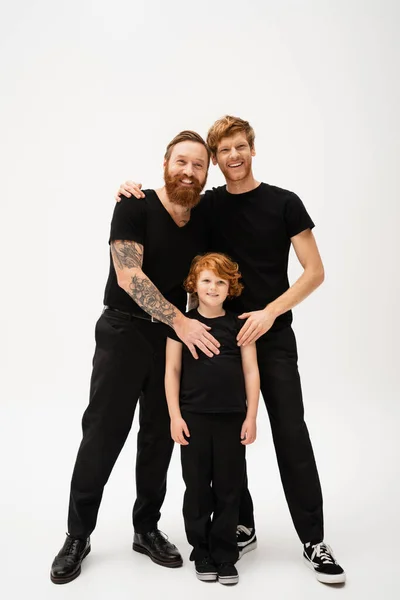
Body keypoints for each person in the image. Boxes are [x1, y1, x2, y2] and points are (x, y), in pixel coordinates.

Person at [116, 115, 346, 584]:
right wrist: (129, 189)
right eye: (223, 151)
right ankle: (240, 524)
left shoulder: (285, 203)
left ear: (252, 149)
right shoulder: (208, 205)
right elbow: (172, 199)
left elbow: (314, 271)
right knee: (219, 434)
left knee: (290, 432)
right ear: (216, 160)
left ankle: (314, 540)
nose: (233, 156)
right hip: (216, 340)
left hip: (270, 336)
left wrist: (268, 314)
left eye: (240, 147)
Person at [50, 131, 222, 585]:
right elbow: (129, 277)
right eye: (181, 161)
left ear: (208, 173)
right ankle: (77, 535)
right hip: (125, 332)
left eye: (198, 165)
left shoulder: (205, 213)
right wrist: (181, 322)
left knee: (160, 437)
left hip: (169, 342)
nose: (189, 171)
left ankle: (146, 529)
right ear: (165, 162)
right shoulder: (133, 205)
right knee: (103, 434)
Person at [165, 252, 260, 585]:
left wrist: (251, 417)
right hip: (193, 419)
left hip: (232, 419)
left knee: (228, 488)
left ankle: (224, 554)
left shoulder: (239, 325)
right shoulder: (180, 325)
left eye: (221, 281)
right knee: (197, 488)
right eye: (206, 280)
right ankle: (201, 551)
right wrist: (175, 416)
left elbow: (251, 371)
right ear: (194, 283)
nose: (213, 287)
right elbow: (172, 372)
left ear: (230, 286)